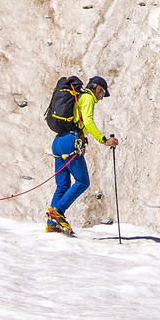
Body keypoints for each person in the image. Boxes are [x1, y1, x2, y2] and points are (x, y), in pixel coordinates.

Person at [45, 75, 116, 235]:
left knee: (62, 185)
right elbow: (88, 122)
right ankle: (58, 211)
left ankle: (52, 224)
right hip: (71, 140)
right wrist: (103, 140)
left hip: (58, 142)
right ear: (98, 89)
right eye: (103, 94)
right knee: (83, 181)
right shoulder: (88, 98)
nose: (102, 98)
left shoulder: (78, 97)